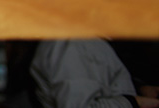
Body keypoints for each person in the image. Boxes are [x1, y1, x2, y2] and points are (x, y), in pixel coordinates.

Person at [30, 39, 159, 108]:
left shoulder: (85, 43)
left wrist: (140, 90)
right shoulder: (74, 46)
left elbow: (95, 79)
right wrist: (134, 102)